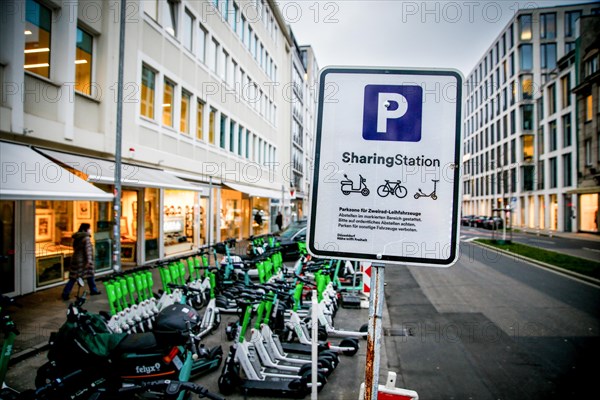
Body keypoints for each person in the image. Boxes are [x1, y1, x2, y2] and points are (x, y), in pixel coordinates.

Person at [62, 223, 101, 300]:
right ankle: (93, 290)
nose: (90, 230)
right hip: (83, 260)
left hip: (76, 259)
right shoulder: (86, 238)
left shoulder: (77, 237)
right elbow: (88, 251)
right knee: (89, 275)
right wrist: (89, 261)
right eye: (89, 228)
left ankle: (66, 293)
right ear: (86, 229)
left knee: (74, 277)